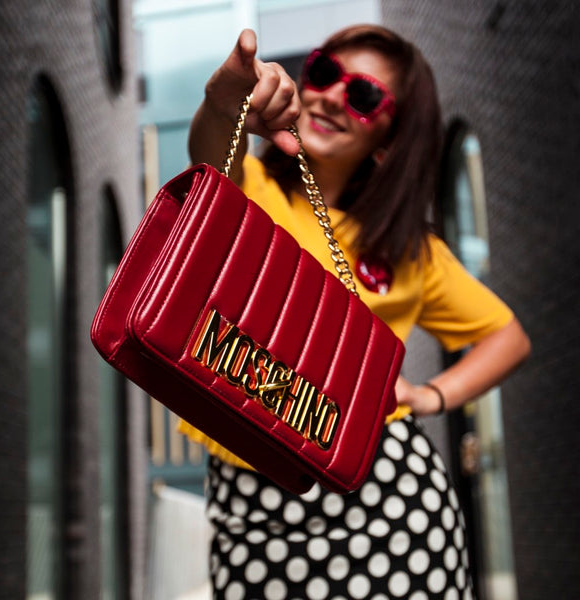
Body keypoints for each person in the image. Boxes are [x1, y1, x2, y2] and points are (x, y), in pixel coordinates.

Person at [179, 24, 531, 600]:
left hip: (388, 495)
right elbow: (211, 156)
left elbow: (508, 337)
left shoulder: (408, 249)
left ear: (389, 140)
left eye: (365, 95)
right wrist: (225, 101)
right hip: (250, 497)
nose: (334, 96)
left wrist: (430, 396)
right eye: (323, 73)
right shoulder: (252, 186)